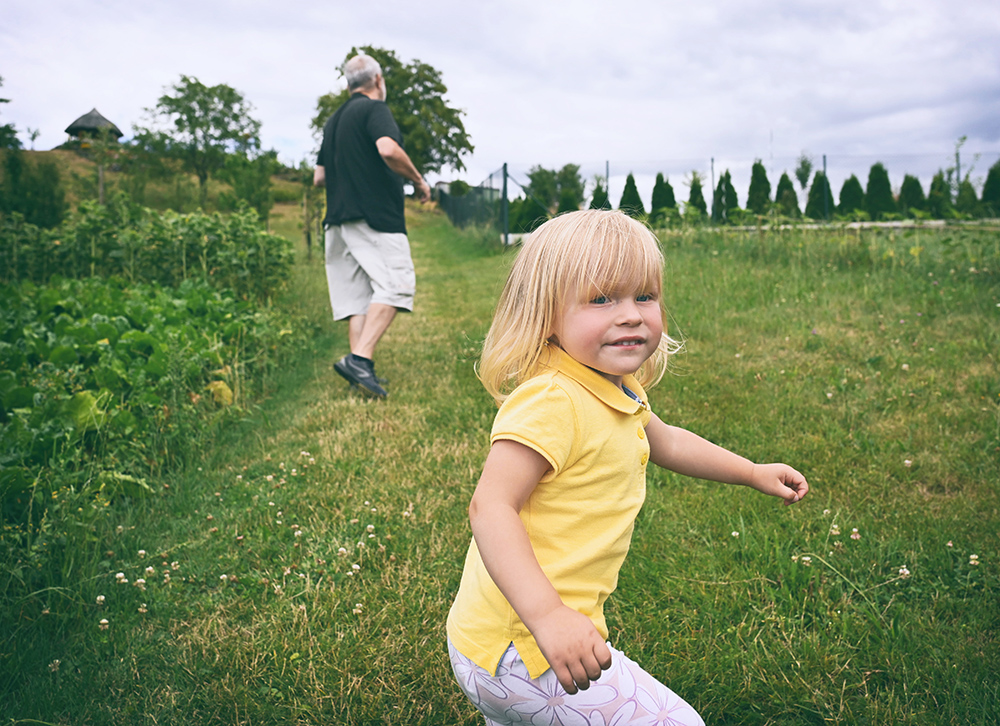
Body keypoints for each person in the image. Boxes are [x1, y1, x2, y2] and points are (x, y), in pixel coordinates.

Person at [446, 210, 809, 725]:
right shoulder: (554, 398)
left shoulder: (614, 386)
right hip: (528, 649)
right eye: (601, 299)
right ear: (545, 314)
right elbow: (490, 506)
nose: (632, 315)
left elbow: (667, 441)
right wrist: (549, 618)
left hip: (493, 644)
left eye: (645, 296)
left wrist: (751, 471)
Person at [314, 54, 431, 398]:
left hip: (336, 220)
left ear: (348, 83)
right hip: (374, 216)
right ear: (377, 80)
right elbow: (388, 149)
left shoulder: (333, 122)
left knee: (359, 298)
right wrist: (419, 181)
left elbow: (319, 177)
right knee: (396, 283)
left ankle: (360, 372)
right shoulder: (374, 110)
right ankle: (359, 358)